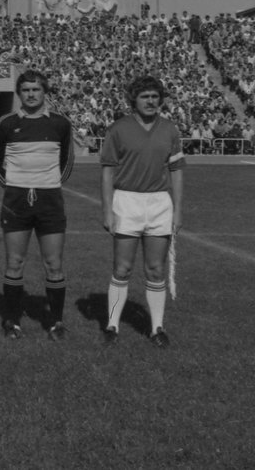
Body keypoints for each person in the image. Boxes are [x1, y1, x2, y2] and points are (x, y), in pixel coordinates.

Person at [0, 70, 75, 340]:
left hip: (50, 201)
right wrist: (16, 186)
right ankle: (12, 320)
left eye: (36, 89)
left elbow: (67, 164)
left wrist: (45, 183)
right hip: (16, 201)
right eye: (25, 90)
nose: (31, 94)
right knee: (14, 262)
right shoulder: (5, 122)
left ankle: (56, 321)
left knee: (54, 264)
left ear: (44, 92)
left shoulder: (60, 123)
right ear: (19, 93)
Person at [100, 76, 184, 348]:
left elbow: (176, 172)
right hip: (127, 201)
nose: (151, 101)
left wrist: (178, 211)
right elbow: (107, 172)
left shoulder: (169, 129)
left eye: (155, 96)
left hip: (159, 203)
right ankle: (112, 324)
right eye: (145, 96)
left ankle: (157, 328)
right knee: (122, 267)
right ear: (133, 100)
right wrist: (108, 211)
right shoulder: (118, 129)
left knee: (155, 269)